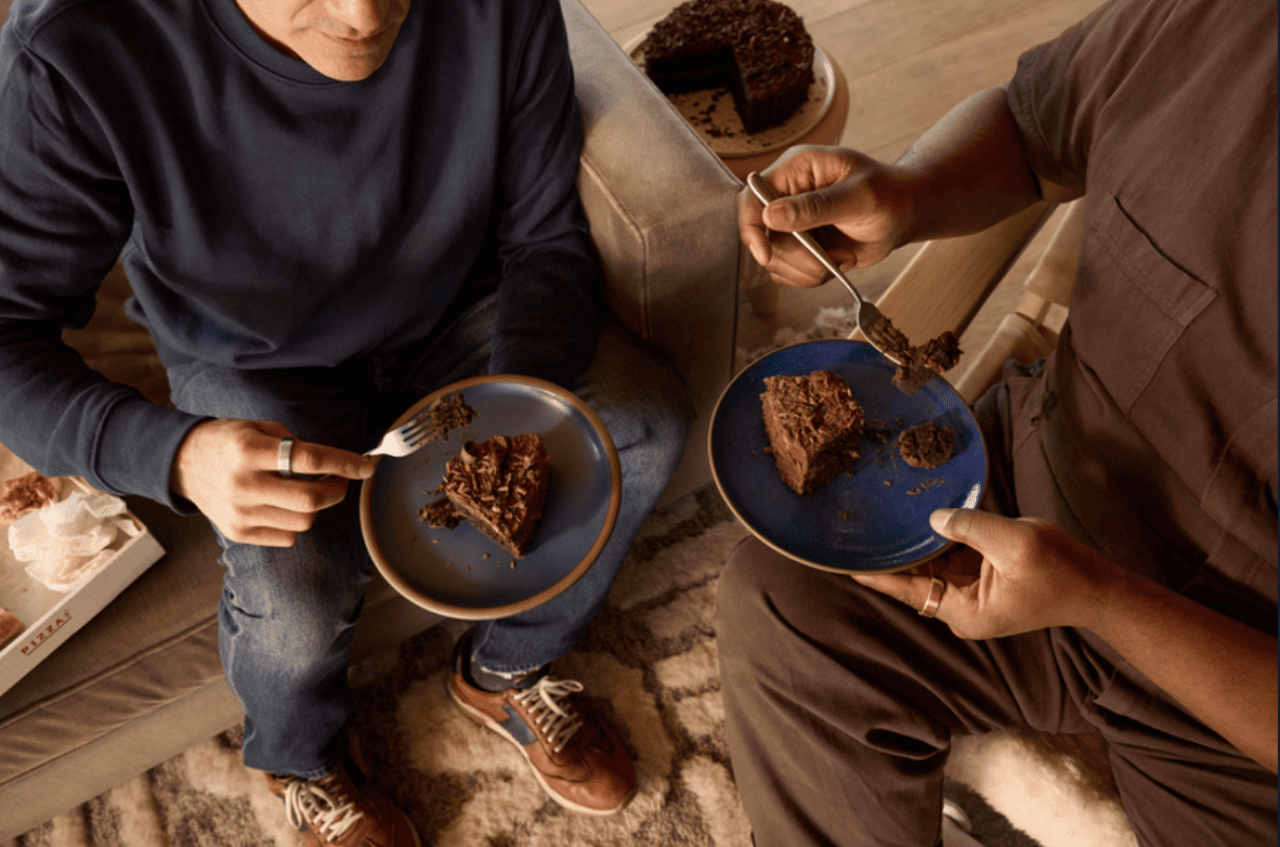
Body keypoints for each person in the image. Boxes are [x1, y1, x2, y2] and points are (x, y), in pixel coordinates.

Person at [0, 0, 693, 843]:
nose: (364, 15)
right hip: (250, 361)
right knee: (294, 601)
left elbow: (542, 234)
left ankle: (506, 667)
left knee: (643, 427)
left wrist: (522, 398)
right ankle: (299, 757)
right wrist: (177, 456)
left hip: (460, 313)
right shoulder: (74, 48)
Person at [719, 0, 1277, 844]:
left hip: (1228, 702)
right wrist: (908, 190)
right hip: (1031, 484)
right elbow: (1031, 128)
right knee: (783, 605)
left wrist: (1105, 600)